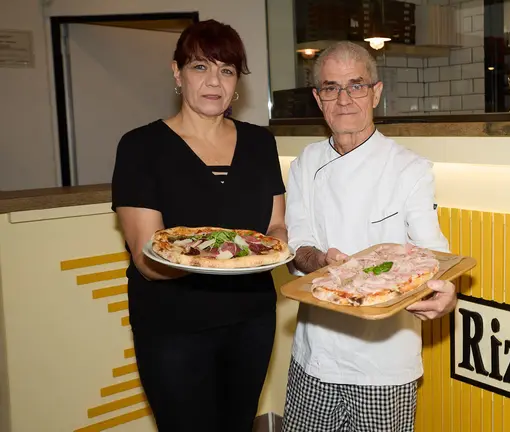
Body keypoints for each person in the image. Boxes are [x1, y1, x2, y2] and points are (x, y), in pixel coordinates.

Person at [110, 20, 285, 431]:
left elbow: (276, 226)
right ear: (177, 73)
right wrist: (216, 258)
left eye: (226, 70)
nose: (214, 82)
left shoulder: (261, 143)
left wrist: (274, 248)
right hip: (173, 324)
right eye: (200, 67)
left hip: (252, 317)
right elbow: (148, 259)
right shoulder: (141, 147)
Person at [282, 41, 457, 432]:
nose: (344, 99)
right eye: (331, 88)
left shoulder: (408, 168)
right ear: (318, 98)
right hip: (316, 356)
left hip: (385, 362)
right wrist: (322, 261)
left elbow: (432, 251)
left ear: (376, 92)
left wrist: (444, 294)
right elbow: (298, 247)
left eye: (356, 85)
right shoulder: (305, 163)